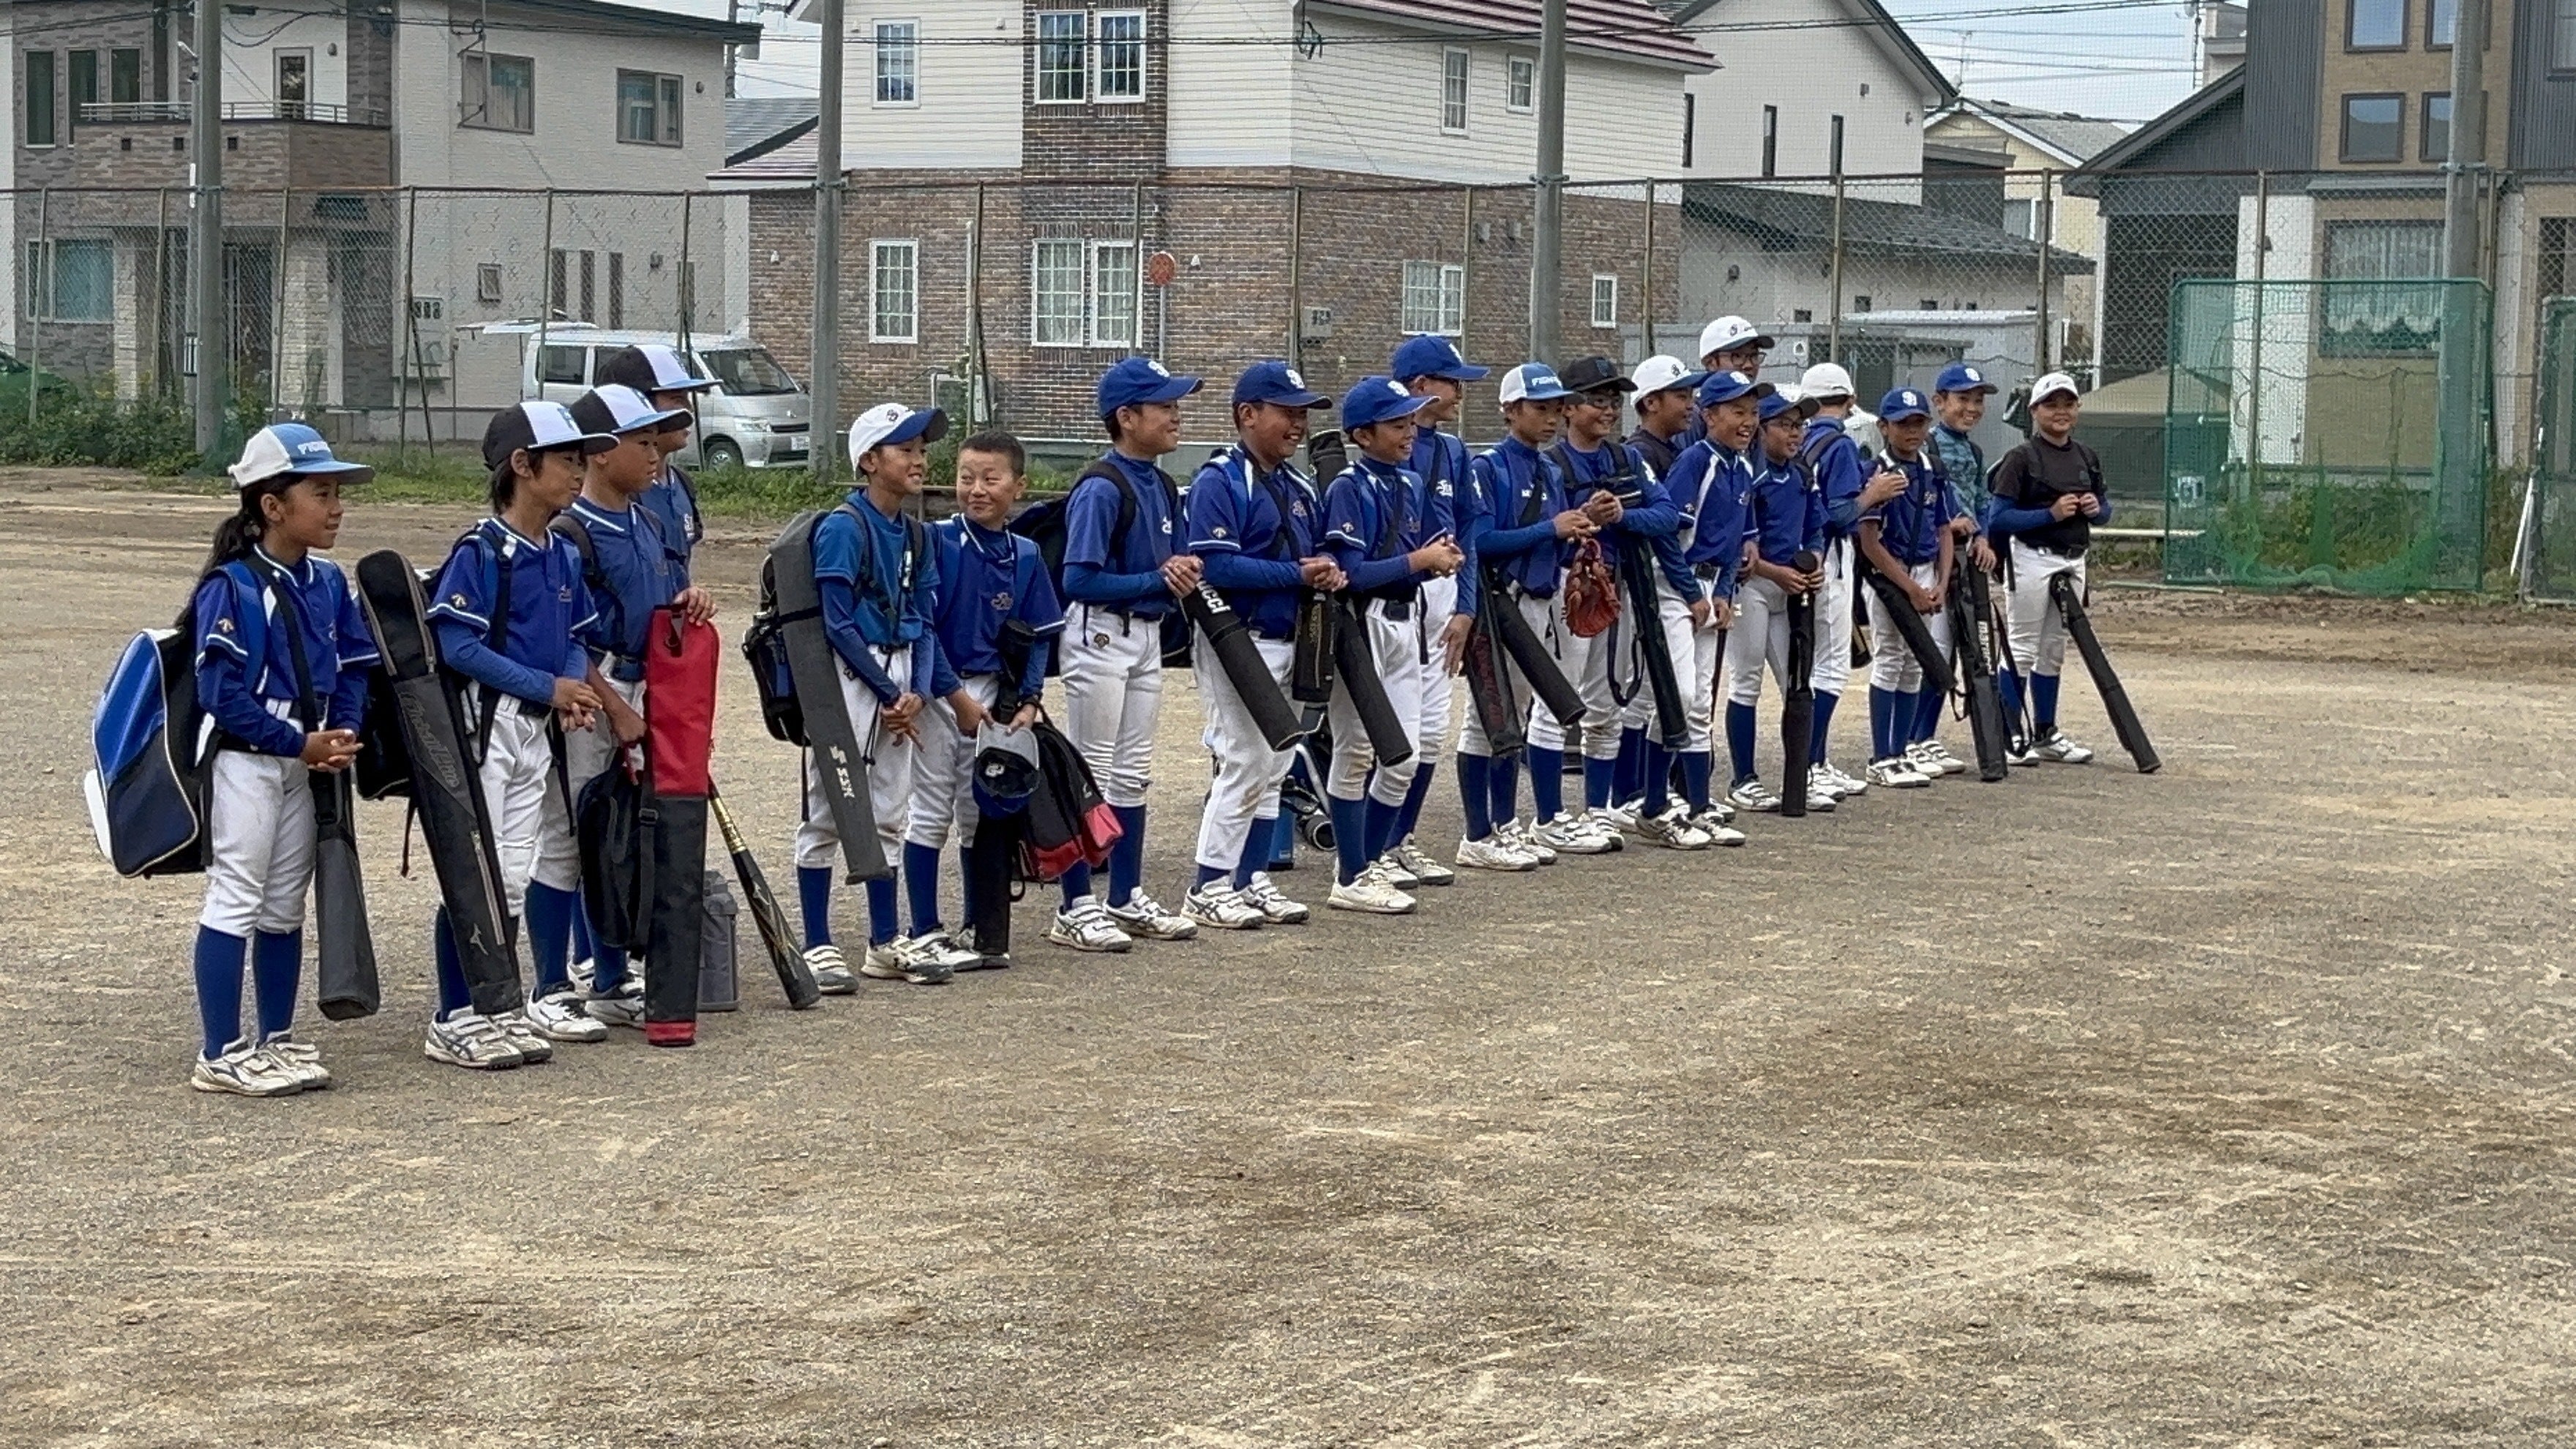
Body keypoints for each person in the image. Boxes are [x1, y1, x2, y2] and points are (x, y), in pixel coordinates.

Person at [422, 402, 618, 1069]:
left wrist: (571, 688)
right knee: (475, 873)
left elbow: (575, 639)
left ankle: (493, 1006)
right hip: (486, 725)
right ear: (522, 465)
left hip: (532, 726)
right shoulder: (481, 550)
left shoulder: (561, 551)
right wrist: (547, 687)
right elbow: (457, 645)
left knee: (510, 873)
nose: (578, 472)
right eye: (566, 459)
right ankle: (454, 1015)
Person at [182, 424, 375, 1096]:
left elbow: (354, 665)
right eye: (321, 493)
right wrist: (298, 744)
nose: (337, 508)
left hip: (308, 757)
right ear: (271, 505)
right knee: (238, 894)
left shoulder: (327, 579)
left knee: (284, 904)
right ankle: (220, 1051)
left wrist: (344, 730)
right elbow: (220, 694)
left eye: (337, 494)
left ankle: (276, 1038)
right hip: (250, 759)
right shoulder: (233, 585)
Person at [544, 383, 718, 1030]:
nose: (654, 453)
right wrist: (615, 707)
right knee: (571, 835)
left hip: (650, 688)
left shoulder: (649, 521)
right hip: (594, 692)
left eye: (655, 440)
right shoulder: (572, 531)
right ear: (599, 452)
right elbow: (565, 637)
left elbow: (665, 604)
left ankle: (611, 978)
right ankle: (550, 985)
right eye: (640, 442)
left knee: (624, 836)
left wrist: (691, 601)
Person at [790, 402, 956, 986]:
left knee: (890, 809)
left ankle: (884, 940)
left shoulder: (917, 533)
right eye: (904, 449)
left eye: (920, 449)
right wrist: (889, 692)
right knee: (827, 807)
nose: (919, 459)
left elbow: (926, 620)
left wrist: (918, 693)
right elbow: (838, 623)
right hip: (849, 677)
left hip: (900, 672)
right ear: (868, 460)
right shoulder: (844, 526)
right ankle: (816, 943)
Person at [1048, 356, 1205, 951]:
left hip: (1143, 634)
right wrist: (1157, 579)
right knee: (1090, 771)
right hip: (1100, 634)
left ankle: (1125, 895)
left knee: (1133, 773)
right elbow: (1079, 580)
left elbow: (1171, 562)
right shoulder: (1102, 485)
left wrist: (1181, 573)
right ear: (1126, 417)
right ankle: (1075, 905)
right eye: (1163, 406)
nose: (1175, 415)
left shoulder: (1160, 483)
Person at [1180, 361, 1340, 930]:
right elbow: (1216, 567)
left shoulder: (1298, 484)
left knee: (1275, 764)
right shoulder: (1221, 478)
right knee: (1243, 760)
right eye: (1286, 412)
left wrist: (1328, 568)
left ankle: (1249, 878)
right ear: (1247, 414)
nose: (1298, 424)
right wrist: (1298, 574)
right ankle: (1208, 885)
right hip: (1236, 638)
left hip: (1292, 636)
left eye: (1303, 414)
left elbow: (1316, 551)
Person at [902, 431, 1063, 970]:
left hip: (995, 694)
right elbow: (924, 629)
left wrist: (1030, 701)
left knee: (980, 811)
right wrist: (954, 697)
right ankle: (924, 928)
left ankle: (980, 926)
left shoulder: (1026, 554)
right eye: (966, 477)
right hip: (939, 691)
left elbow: (1037, 636)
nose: (976, 489)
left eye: (991, 479)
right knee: (930, 809)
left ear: (1019, 486)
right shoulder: (938, 540)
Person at [1320, 376, 1467, 912]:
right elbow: (1353, 573)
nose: (1408, 432)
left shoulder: (1409, 483)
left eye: (1409, 422)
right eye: (1395, 424)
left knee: (1404, 756)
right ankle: (1351, 873)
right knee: (1358, 750)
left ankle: (1370, 858)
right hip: (1363, 625)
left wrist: (1438, 560)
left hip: (1407, 623)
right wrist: (1421, 561)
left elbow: (1414, 559)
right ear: (1363, 435)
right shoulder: (1348, 485)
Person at [1454, 362, 1598, 869]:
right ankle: (1479, 832)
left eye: (1557, 408)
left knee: (1515, 713)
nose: (1552, 418)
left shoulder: (1548, 469)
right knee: (1487, 718)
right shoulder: (1490, 466)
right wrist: (1551, 530)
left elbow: (1551, 541)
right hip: (1500, 602)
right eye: (1540, 408)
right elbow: (1482, 542)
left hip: (1538, 600)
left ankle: (1505, 824)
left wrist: (1575, 542)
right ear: (1510, 410)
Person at [1548, 354, 1690, 845]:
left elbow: (1667, 516)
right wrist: (1584, 515)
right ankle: (1549, 817)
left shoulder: (1626, 460)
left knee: (1607, 700)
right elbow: (1546, 528)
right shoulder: (1553, 463)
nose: (1608, 409)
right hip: (1569, 586)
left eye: (1613, 400)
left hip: (1619, 585)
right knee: (1558, 702)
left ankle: (1597, 810)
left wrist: (1621, 517)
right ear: (1568, 407)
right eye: (1596, 400)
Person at [1663, 371, 1781, 843]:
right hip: (1678, 584)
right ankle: (1654, 801)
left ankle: (1697, 804)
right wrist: (1692, 593)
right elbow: (1668, 534)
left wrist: (1725, 592)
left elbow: (1736, 544)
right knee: (1678, 695)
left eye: (1753, 412)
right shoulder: (1696, 461)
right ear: (1708, 416)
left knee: (1698, 704)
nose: (1748, 421)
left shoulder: (1742, 468)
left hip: (1713, 585)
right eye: (1737, 411)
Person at [1390, 334, 1491, 887]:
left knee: (1431, 732)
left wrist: (1466, 606)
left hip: (1445, 594)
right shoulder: (1387, 444)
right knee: (1394, 733)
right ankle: (1374, 847)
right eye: (1452, 383)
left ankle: (1402, 839)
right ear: (1421, 385)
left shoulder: (1454, 450)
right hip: (1401, 592)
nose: (1459, 394)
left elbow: (1469, 532)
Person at [1795, 362, 1907, 806]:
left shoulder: (1802, 437)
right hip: (1829, 558)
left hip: (1804, 556)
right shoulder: (1839, 443)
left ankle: (1814, 761)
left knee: (1815, 666)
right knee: (1831, 667)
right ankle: (1810, 763)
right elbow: (1839, 514)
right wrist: (1872, 495)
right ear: (1850, 400)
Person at [1985, 371, 2105, 765]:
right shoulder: (2022, 458)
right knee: (2022, 647)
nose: (2060, 412)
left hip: (2072, 557)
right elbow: (1999, 518)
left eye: (2068, 404)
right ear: (2034, 411)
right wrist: (2049, 514)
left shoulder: (2086, 455)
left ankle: (2045, 732)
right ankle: (2007, 734)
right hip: (2031, 557)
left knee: (2053, 649)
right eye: (2051, 405)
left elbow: (2104, 509)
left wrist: (2096, 509)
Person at [1721, 389, 1827, 812]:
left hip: (1792, 589)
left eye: (1799, 426)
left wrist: (1815, 560)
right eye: (1784, 425)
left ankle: (1799, 776)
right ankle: (1743, 779)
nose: (1794, 433)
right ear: (1762, 429)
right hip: (1754, 586)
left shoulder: (1801, 475)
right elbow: (1738, 542)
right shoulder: (1750, 475)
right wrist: (1773, 572)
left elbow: (1816, 529)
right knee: (1746, 679)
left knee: (1796, 683)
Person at [1854, 387, 1958, 790]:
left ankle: (1901, 750)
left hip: (1926, 571)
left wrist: (1941, 582)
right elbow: (1870, 542)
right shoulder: (1877, 472)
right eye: (1903, 424)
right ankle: (1882, 755)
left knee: (1916, 661)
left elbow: (1944, 528)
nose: (1912, 431)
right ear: (1884, 427)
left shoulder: (1933, 469)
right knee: (1890, 657)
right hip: (1889, 575)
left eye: (1919, 423)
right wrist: (1910, 587)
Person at [1930, 362, 2011, 736]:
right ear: (1940, 402)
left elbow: (1981, 502)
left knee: (1963, 646)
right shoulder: (1927, 445)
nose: (1972, 408)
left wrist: (1982, 537)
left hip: (1966, 559)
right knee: (1934, 649)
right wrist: (1946, 527)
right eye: (1963, 399)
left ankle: (1925, 738)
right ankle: (1915, 739)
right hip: (1933, 558)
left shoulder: (1975, 452)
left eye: (1978, 401)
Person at [595, 343, 716, 573]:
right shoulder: (614, 491)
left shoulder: (682, 484)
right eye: (678, 399)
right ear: (635, 404)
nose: (689, 409)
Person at [1625, 354, 1701, 479]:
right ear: (1651, 403)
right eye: (1682, 397)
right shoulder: (1642, 453)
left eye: (1691, 397)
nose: (1691, 405)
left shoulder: (1667, 448)